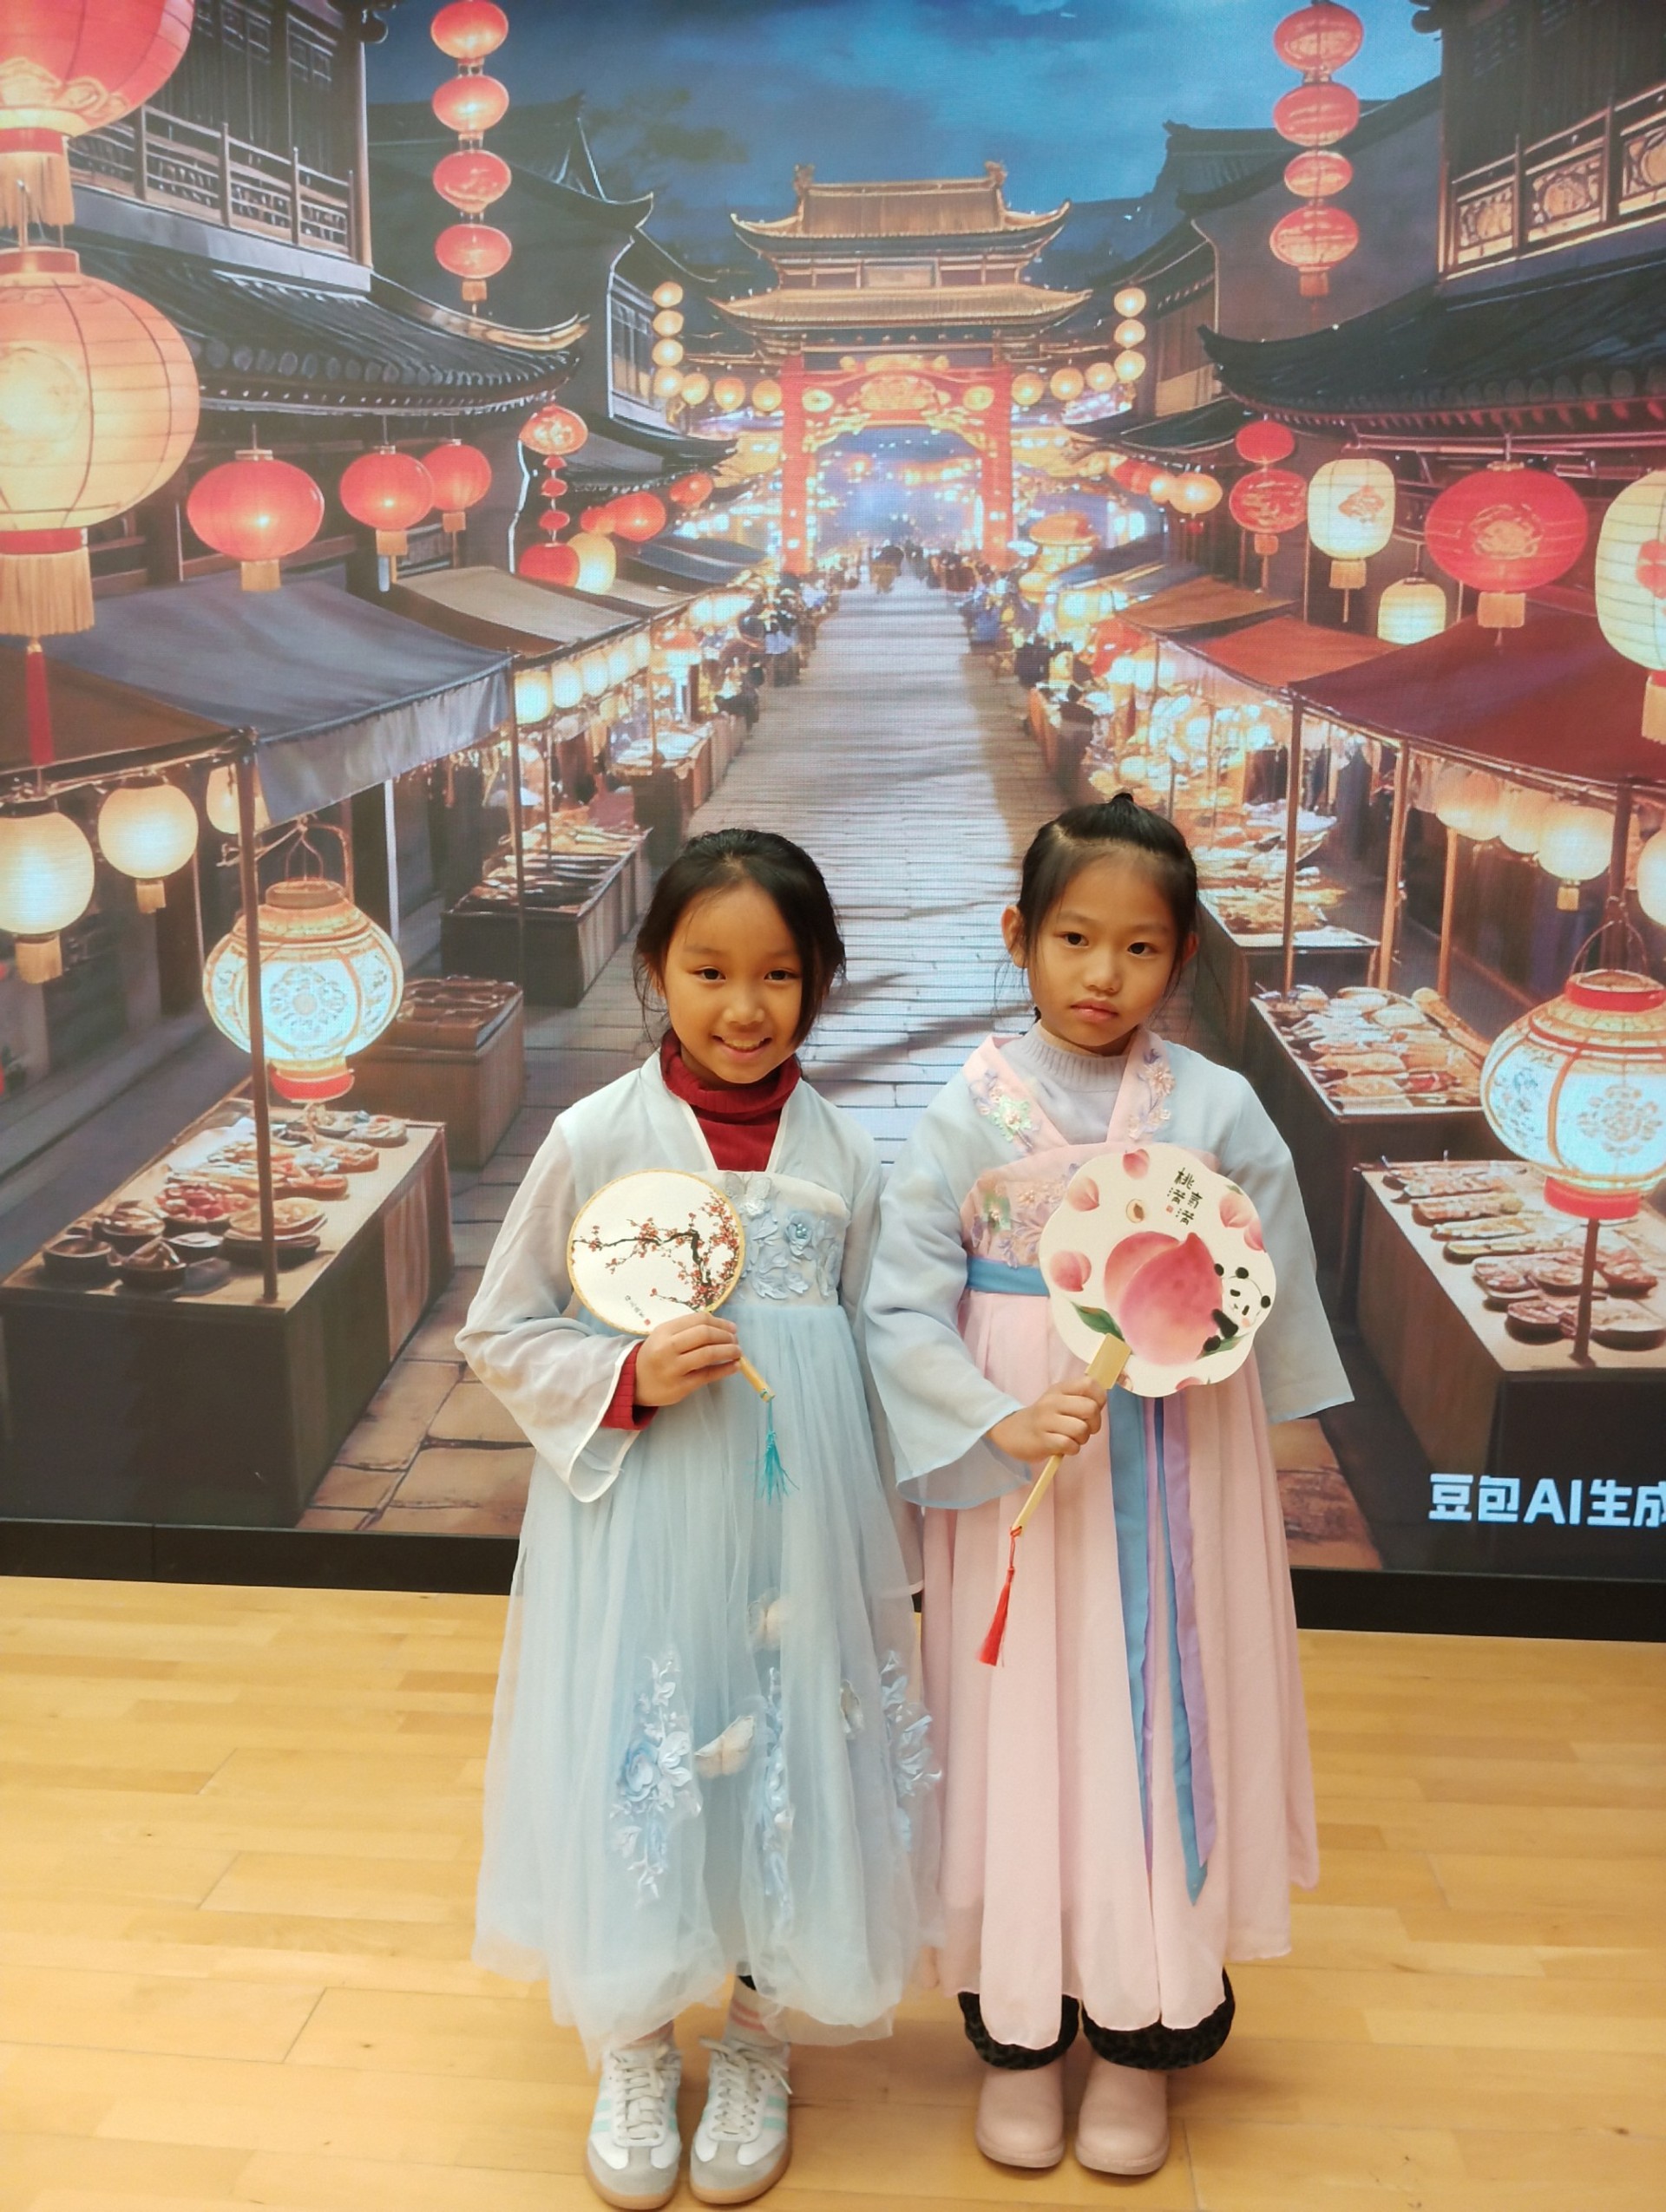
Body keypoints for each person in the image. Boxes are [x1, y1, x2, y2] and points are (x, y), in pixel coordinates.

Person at [863, 795, 1348, 2181]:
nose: (1102, 973)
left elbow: (1268, 1288)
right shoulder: (966, 1111)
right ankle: (1019, 2030)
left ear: (1181, 956)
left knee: (1159, 1721)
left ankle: (1143, 2035)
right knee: (1019, 1723)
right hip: (1022, 1465)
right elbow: (901, 1305)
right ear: (1019, 935)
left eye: (1140, 947)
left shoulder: (1218, 1107)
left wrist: (1233, 1392)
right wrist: (996, 1417)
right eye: (1074, 938)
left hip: (1179, 1462)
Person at [460, 829, 934, 2212]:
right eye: (709, 969)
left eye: (778, 973)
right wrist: (625, 1374)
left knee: (788, 1742)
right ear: (655, 969)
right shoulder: (595, 1138)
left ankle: (760, 2034)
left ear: (820, 978)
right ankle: (632, 2034)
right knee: (646, 1736)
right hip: (645, 1514)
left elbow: (882, 1346)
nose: (744, 1005)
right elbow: (502, 1327)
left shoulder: (846, 1152)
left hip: (799, 1518)